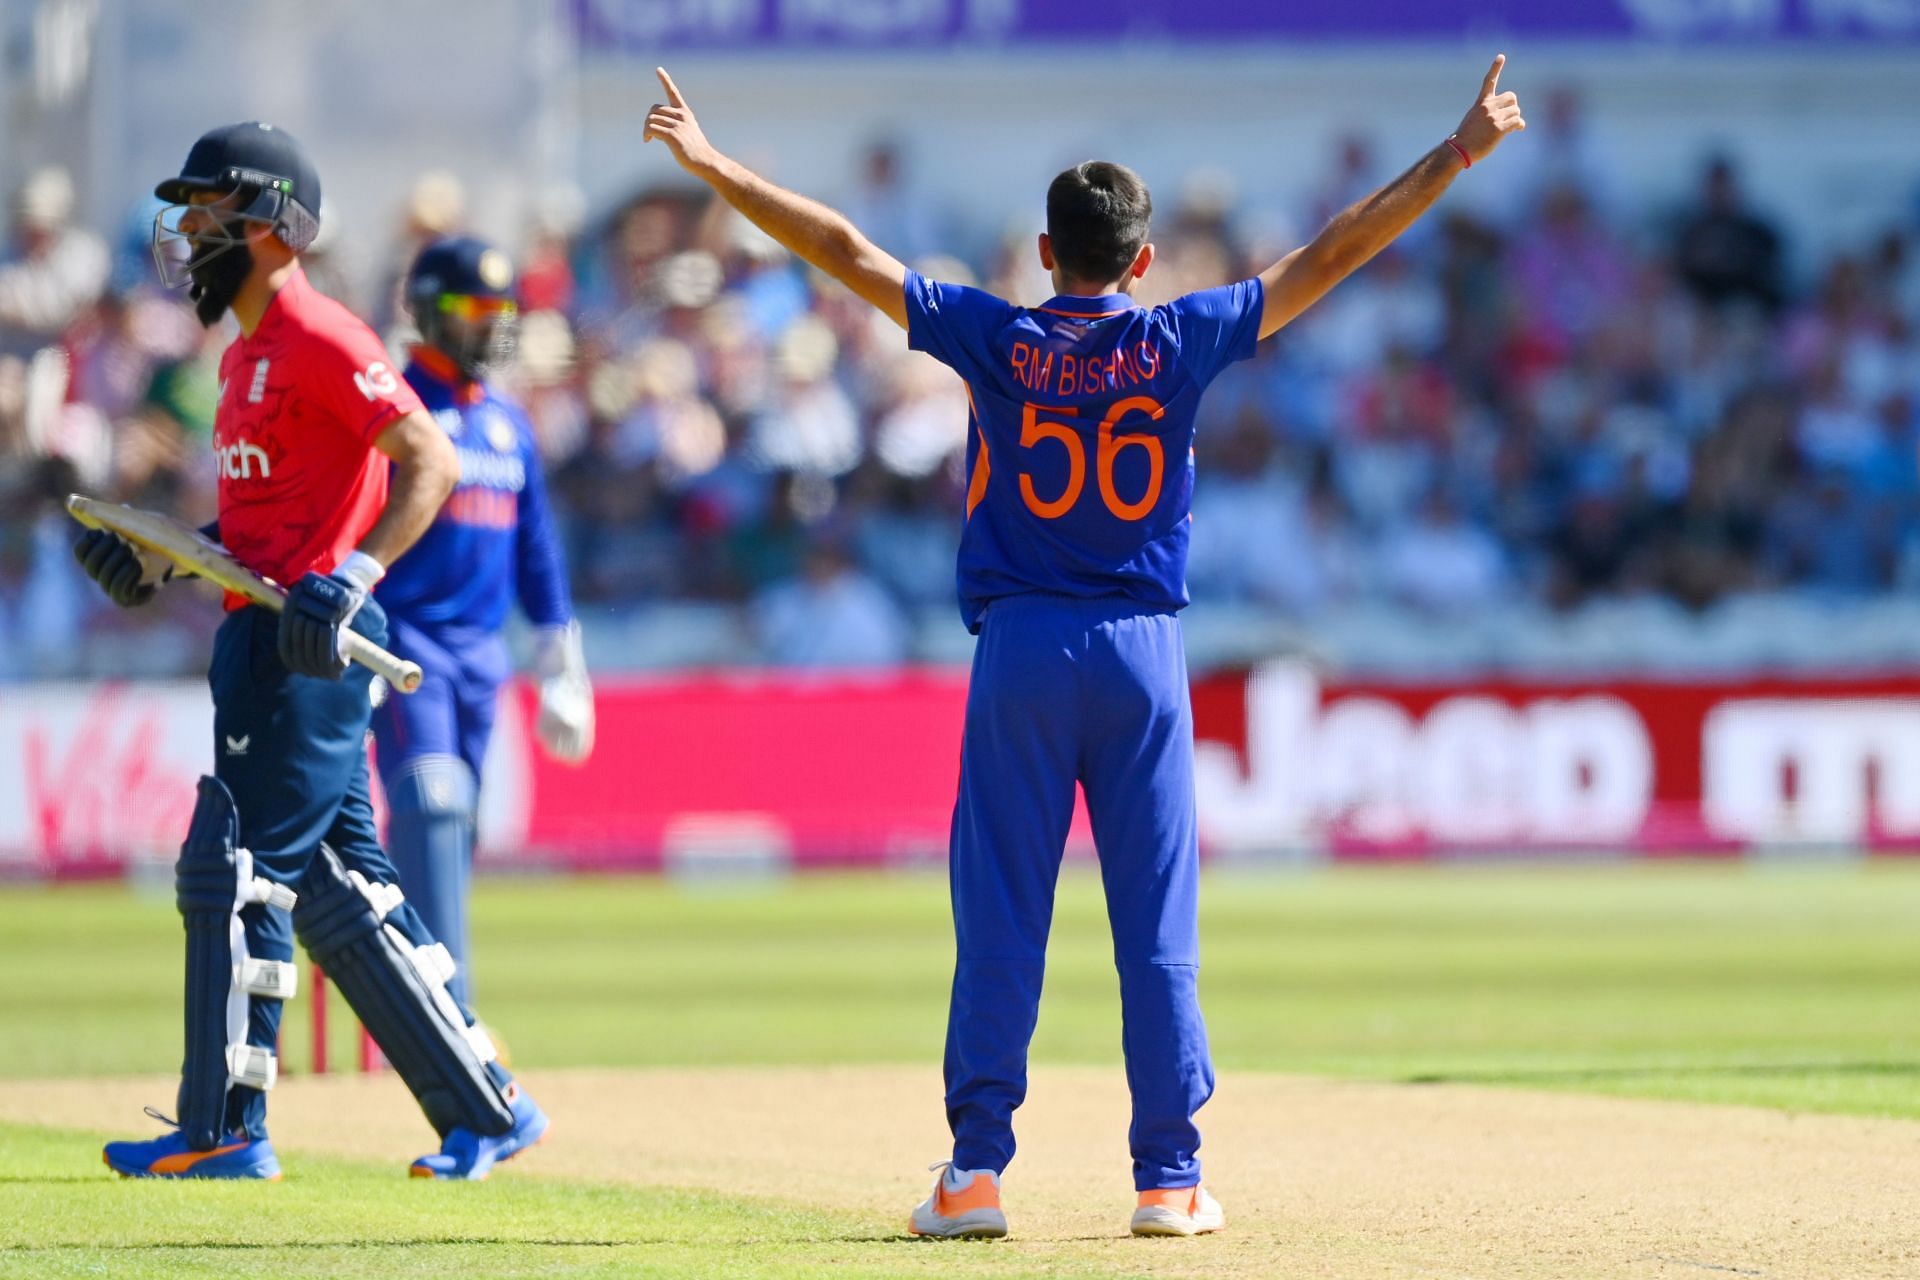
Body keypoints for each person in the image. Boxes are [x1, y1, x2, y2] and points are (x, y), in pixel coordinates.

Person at [643, 58, 1525, 1238]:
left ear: (1046, 254)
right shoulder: (1179, 337)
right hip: (1144, 653)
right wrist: (1456, 152)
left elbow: (847, 249)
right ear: (1143, 261)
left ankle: (975, 1172)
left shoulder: (997, 335)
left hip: (1021, 648)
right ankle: (1169, 1176)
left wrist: (715, 165)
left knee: (1002, 910)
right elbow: (1331, 254)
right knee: (1156, 922)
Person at [78, 122, 548, 1181]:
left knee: (233, 863)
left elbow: (426, 456)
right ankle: (487, 1107)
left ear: (271, 226)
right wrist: (152, 566)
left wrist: (356, 578)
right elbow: (252, 543)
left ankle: (225, 1124)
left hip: (315, 645)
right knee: (339, 889)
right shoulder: (242, 352)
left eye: (208, 209)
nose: (189, 229)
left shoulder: (323, 335)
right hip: (267, 633)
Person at [372, 235, 594, 1009]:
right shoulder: (397, 412)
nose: (492, 325)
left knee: (455, 827)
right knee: (430, 805)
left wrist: (560, 658)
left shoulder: (506, 423)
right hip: (405, 645)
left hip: (481, 658)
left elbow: (537, 550)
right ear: (431, 313)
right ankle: (451, 1017)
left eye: (501, 310)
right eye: (474, 309)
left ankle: (416, 1004)